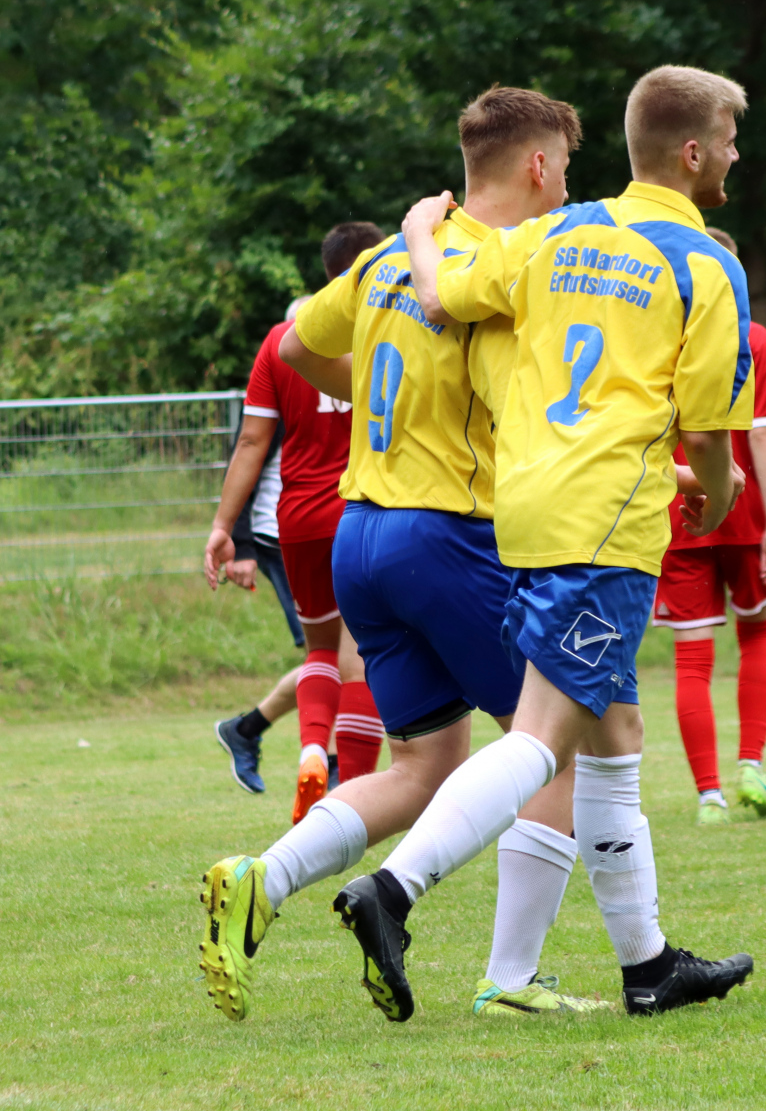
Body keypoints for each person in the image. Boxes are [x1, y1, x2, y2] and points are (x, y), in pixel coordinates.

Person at [332, 64, 756, 1021]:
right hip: (605, 524)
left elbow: (442, 297)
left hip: (523, 509)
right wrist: (722, 493)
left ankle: (647, 965)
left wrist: (417, 234)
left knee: (613, 735)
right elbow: (706, 432)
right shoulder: (703, 265)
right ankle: (392, 890)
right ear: (694, 153)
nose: (736, 157)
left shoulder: (558, 232)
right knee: (542, 739)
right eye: (730, 142)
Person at [197, 87, 610, 1023]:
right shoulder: (502, 260)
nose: (565, 188)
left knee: (425, 766)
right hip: (447, 532)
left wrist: (384, 394)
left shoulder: (387, 254)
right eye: (564, 169)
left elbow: (295, 347)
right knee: (551, 746)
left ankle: (261, 879)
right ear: (537, 165)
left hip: (362, 535)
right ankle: (510, 977)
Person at [204, 224, 386, 824]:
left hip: (300, 519)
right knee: (364, 656)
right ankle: (354, 789)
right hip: (369, 509)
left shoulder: (284, 340)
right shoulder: (390, 328)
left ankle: (311, 749)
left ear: (327, 271)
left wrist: (223, 527)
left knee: (320, 651)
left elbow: (252, 441)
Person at [652, 225, 766, 825]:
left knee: (691, 659)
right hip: (744, 510)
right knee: (757, 633)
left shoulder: (659, 333)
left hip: (681, 511)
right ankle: (751, 766)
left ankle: (709, 796)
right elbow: (761, 435)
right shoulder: (754, 338)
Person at [214, 305, 307, 796]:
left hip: (323, 528)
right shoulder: (283, 376)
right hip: (281, 533)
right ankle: (331, 766)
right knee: (335, 659)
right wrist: (243, 545)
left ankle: (248, 730)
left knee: (338, 660)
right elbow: (247, 452)